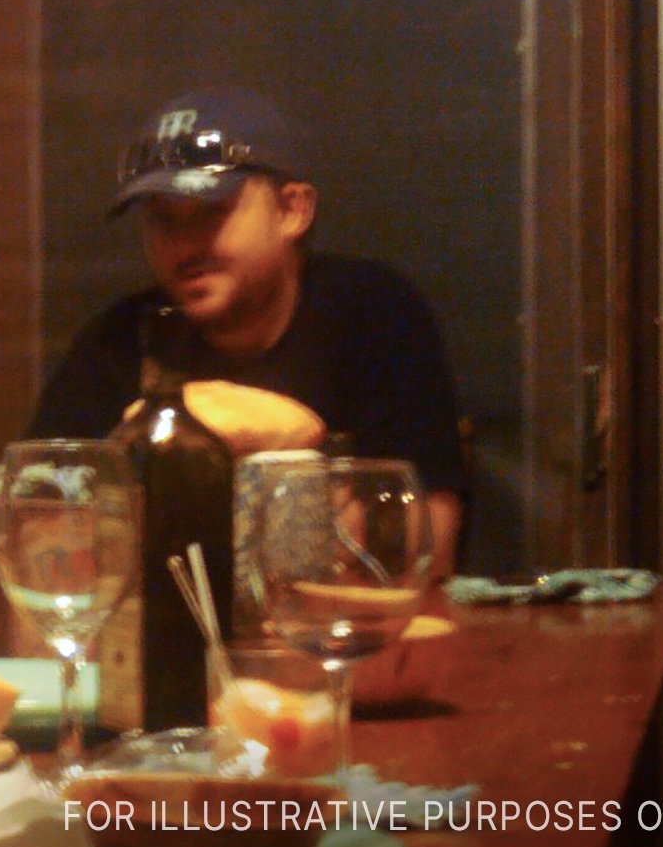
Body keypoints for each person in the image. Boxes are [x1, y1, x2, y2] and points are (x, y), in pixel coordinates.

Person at [26, 88, 467, 573]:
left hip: (329, 637)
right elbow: (33, 527)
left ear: (292, 211)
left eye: (214, 211)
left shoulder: (373, 315)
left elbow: (430, 550)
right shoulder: (122, 340)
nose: (185, 245)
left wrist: (296, 443)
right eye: (161, 219)